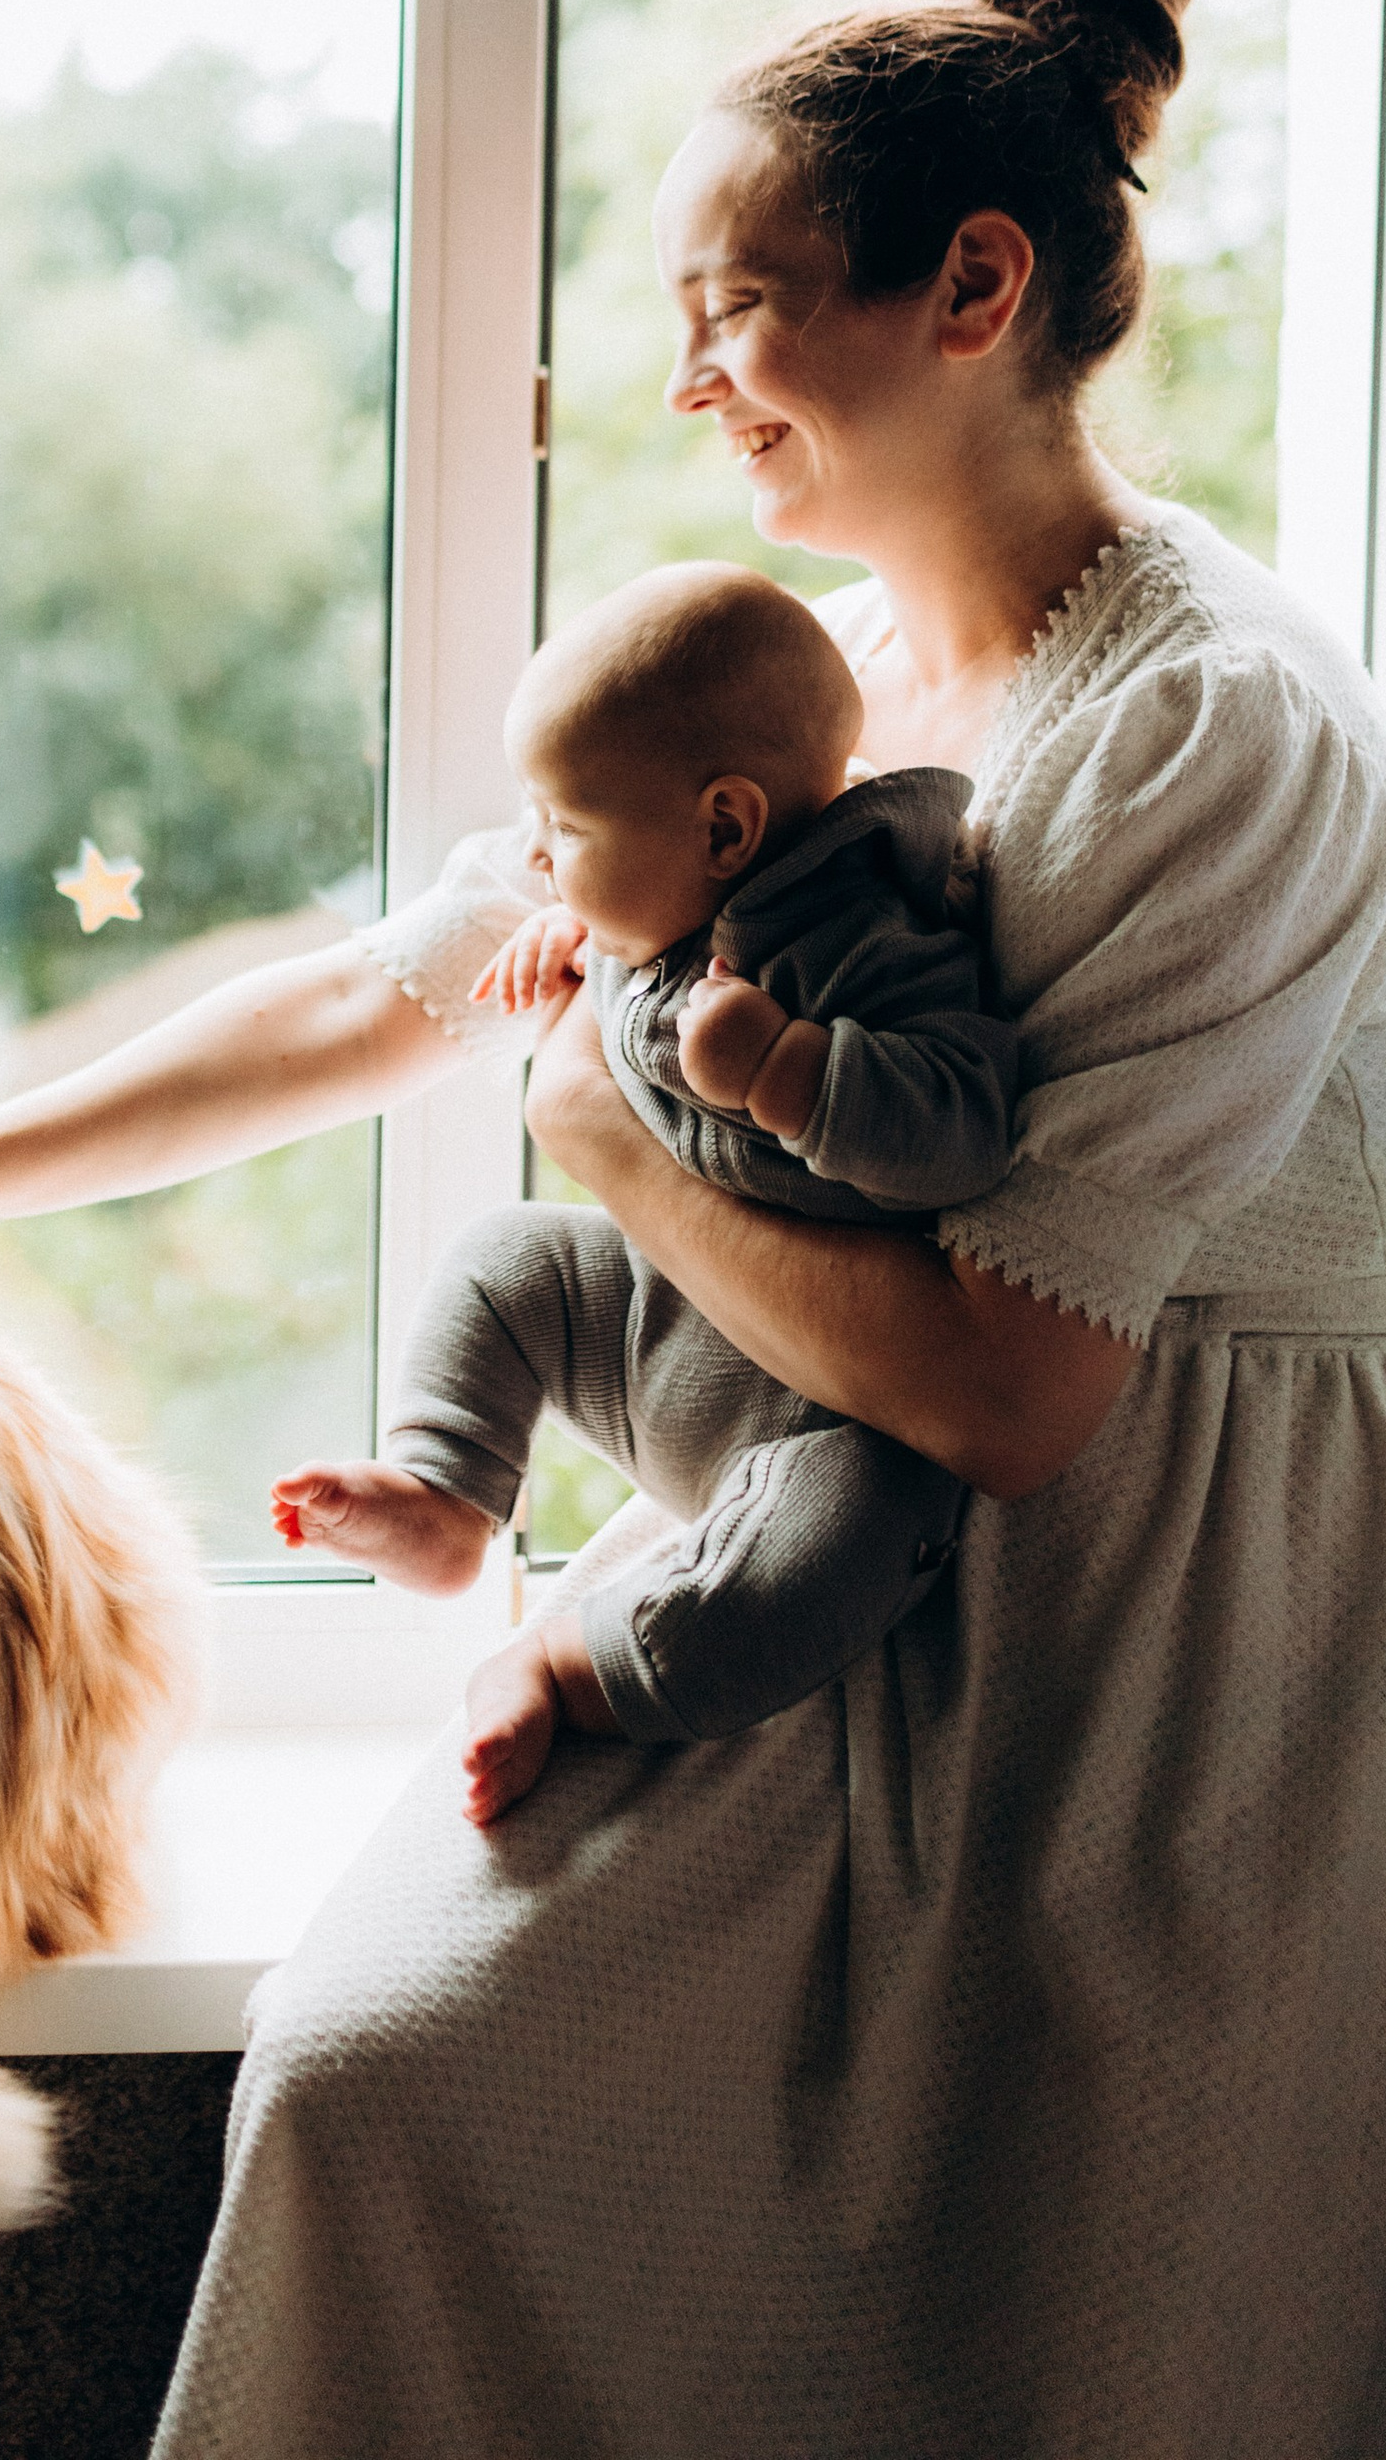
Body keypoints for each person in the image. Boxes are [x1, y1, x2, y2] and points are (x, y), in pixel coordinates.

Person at [0, 0, 1386, 2460]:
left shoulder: (1212, 728)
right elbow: (399, 984)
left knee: (1099, 2349)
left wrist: (590, 1136)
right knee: (378, 2089)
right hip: (855, 1548)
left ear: (971, 284)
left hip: (1219, 1643)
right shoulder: (794, 678)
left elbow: (1015, 1385)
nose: (680, 368)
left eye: (737, 299)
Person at [268, 556, 1016, 1826]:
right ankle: (446, 1488)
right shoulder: (654, 910)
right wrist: (584, 942)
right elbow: (567, 957)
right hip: (667, 1324)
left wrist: (790, 1072)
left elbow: (966, 1127)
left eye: (563, 830)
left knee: (852, 1544)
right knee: (512, 1259)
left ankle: (575, 1662)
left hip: (824, 1416)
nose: (535, 858)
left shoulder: (861, 931)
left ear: (723, 829)